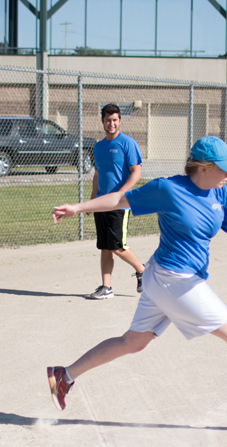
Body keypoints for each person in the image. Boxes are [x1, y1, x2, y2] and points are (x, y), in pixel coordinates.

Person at [47, 136, 227, 411]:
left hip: (166, 277)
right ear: (203, 168)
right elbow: (120, 199)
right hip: (175, 279)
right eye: (224, 168)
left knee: (133, 341)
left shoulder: (221, 193)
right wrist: (77, 208)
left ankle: (64, 375)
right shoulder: (168, 189)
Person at [87, 103, 146, 300]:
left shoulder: (127, 143)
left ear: (120, 121)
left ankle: (142, 270)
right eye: (107, 120)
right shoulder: (98, 146)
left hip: (119, 203)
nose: (111, 124)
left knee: (117, 245)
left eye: (114, 120)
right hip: (101, 202)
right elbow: (97, 175)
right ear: (102, 121)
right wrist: (92, 200)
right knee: (105, 246)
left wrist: (120, 194)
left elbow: (136, 172)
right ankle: (106, 287)